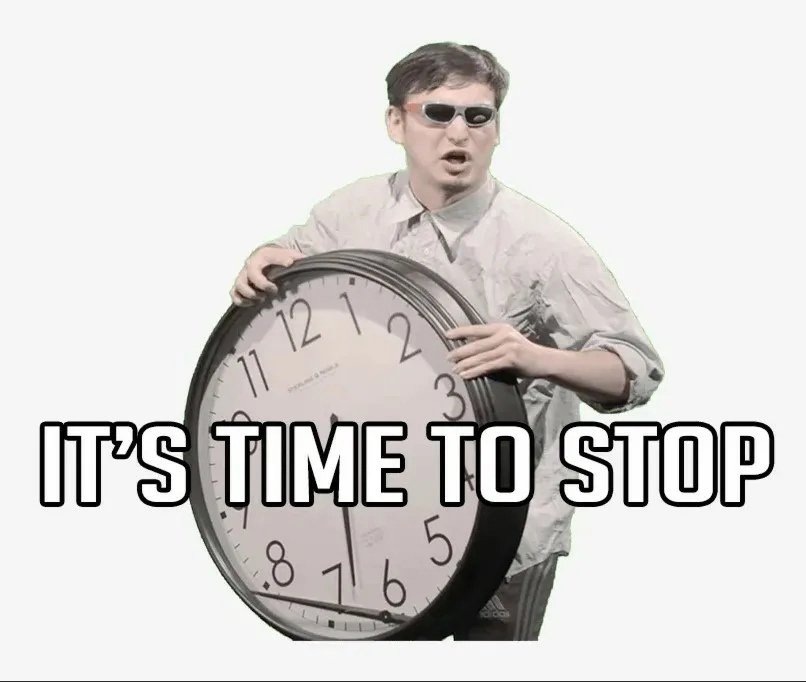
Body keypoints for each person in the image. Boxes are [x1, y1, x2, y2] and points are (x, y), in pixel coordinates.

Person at [229, 42, 665, 641]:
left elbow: (635, 370)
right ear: (396, 122)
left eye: (478, 116)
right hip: (387, 512)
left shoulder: (542, 245)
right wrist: (266, 257)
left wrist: (535, 357)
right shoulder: (353, 210)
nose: (458, 132)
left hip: (507, 533)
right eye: (437, 113)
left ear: (496, 129)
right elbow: (298, 258)